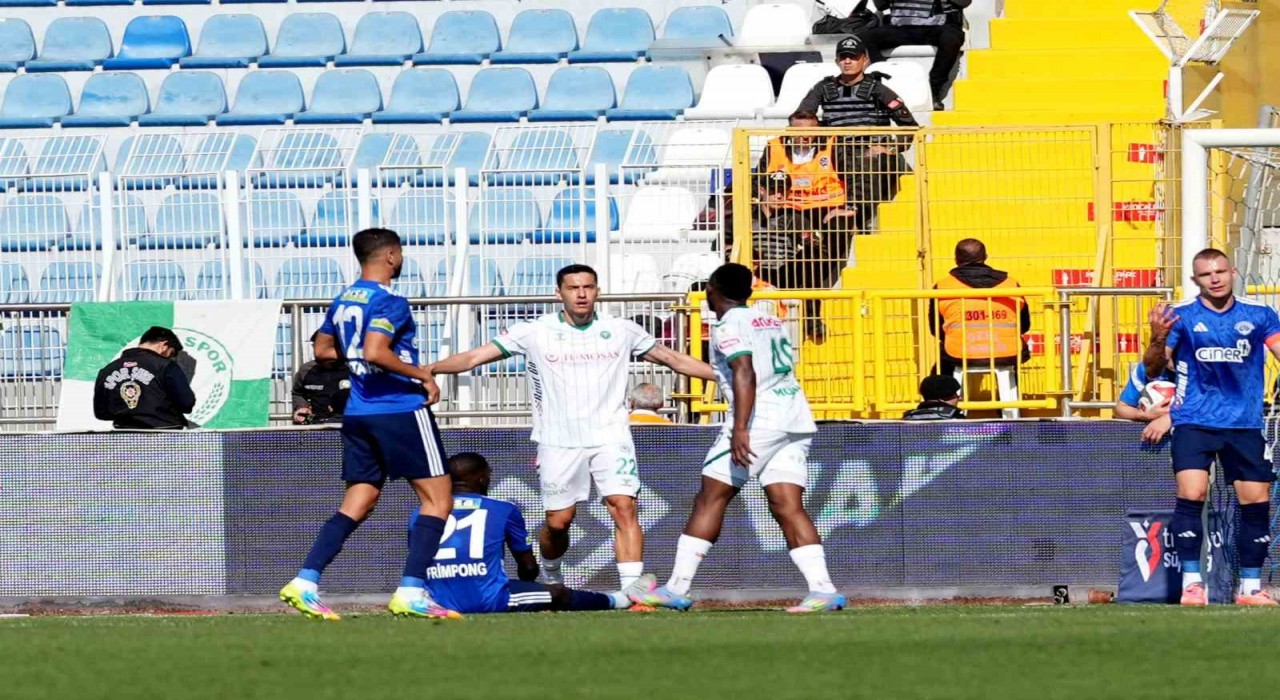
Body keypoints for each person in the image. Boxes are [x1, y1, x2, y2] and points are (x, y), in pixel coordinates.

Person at [430, 264, 716, 591]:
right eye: (573, 288)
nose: (581, 294)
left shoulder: (622, 329)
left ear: (597, 291)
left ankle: (632, 592)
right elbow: (473, 358)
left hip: (611, 435)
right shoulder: (534, 331)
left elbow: (672, 359)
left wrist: (724, 376)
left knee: (624, 506)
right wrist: (431, 368)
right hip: (558, 440)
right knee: (559, 521)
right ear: (559, 293)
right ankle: (551, 570)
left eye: (588, 287)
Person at [632, 263, 845, 614]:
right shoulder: (766, 319)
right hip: (794, 417)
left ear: (713, 290)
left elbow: (744, 371)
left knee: (710, 498)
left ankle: (676, 587)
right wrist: (670, 359)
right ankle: (824, 590)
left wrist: (742, 428)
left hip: (760, 421)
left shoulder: (727, 325)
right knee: (786, 503)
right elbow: (733, 370)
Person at [279, 228, 459, 621]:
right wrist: (422, 375)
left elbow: (324, 349)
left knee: (359, 500)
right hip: (399, 408)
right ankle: (412, 591)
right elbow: (377, 351)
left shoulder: (344, 299)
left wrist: (357, 360)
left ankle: (305, 581)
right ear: (392, 255)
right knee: (438, 500)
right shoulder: (391, 300)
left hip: (359, 411)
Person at [1141, 247, 1280, 606]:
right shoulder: (1181, 317)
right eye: (1206, 274)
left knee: (1255, 502)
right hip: (1194, 421)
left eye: (1220, 271)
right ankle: (1192, 584)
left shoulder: (1260, 314)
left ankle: (1249, 589)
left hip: (1244, 423)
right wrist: (1157, 337)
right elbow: (1155, 370)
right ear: (1195, 280)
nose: (1215, 278)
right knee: (1192, 494)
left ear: (1233, 272)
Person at [416, 452, 656, 615]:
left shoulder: (422, 512)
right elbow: (528, 568)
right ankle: (620, 599)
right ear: (482, 478)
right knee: (558, 594)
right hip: (486, 599)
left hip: (438, 599)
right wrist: (529, 585)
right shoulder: (502, 508)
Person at [754, 110, 859, 343]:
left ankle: (810, 305)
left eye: (810, 131)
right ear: (790, 130)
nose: (805, 137)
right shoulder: (774, 147)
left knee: (817, 257)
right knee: (807, 258)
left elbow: (853, 175)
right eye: (799, 132)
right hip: (787, 208)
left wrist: (850, 205)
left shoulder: (832, 145)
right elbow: (758, 178)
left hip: (827, 208)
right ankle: (807, 303)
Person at [796, 35, 918, 232]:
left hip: (874, 149)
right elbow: (801, 119)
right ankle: (856, 217)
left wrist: (889, 147)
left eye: (853, 57)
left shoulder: (878, 89)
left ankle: (866, 215)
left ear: (865, 60)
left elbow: (909, 126)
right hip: (838, 150)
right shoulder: (823, 88)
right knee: (858, 162)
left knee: (881, 164)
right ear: (836, 61)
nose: (847, 61)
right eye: (843, 57)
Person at [928, 238, 1031, 377]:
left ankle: (945, 398)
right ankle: (1011, 396)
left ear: (956, 259)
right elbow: (1024, 325)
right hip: (1008, 352)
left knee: (939, 373)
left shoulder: (943, 286)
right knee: (1009, 370)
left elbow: (936, 328)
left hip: (958, 354)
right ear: (985, 257)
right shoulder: (1011, 283)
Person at [857, 0, 970, 110]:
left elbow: (964, 2)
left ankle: (934, 89)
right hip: (901, 27)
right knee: (865, 38)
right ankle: (884, 84)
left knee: (952, 39)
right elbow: (881, 5)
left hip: (937, 27)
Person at [93, 326, 195, 430]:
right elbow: (186, 403)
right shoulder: (166, 366)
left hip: (125, 436)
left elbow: (101, 413)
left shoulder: (108, 370)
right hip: (166, 434)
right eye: (172, 353)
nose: (170, 357)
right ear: (164, 345)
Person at [1112, 354, 1177, 444]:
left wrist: (1170, 418)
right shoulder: (1147, 369)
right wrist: (1144, 415)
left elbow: (1203, 407)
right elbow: (1120, 409)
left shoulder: (1201, 367)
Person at [291, 332, 351, 425]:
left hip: (350, 426)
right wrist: (301, 407)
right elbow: (298, 393)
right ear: (314, 347)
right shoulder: (306, 370)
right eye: (324, 347)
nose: (329, 353)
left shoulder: (355, 369)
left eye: (334, 347)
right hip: (317, 427)